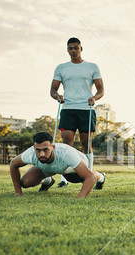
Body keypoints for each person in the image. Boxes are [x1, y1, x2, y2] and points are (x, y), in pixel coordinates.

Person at [49, 37, 104, 189]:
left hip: (86, 109)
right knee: (67, 145)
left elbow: (101, 90)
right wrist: (58, 96)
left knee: (86, 144)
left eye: (76, 48)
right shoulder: (61, 67)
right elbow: (53, 90)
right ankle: (64, 180)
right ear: (67, 50)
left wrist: (95, 97)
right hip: (68, 109)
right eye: (70, 48)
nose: (73, 51)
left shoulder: (92, 66)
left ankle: (91, 176)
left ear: (81, 48)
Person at [10, 132, 105, 198]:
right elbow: (13, 164)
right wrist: (18, 192)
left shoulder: (66, 154)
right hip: (47, 167)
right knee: (25, 183)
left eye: (46, 149)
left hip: (70, 169)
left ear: (53, 147)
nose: (42, 154)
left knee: (80, 178)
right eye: (38, 150)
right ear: (34, 147)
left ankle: (101, 176)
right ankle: (48, 181)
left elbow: (90, 177)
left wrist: (80, 198)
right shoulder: (30, 153)